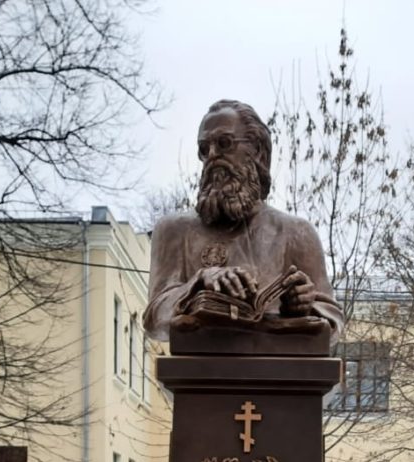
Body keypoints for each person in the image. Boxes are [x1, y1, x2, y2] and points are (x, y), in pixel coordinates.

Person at [144, 99, 344, 346]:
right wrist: (198, 283)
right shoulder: (174, 231)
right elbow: (154, 318)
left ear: (257, 151)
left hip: (278, 372)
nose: (213, 156)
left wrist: (304, 304)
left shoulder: (296, 233)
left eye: (224, 144)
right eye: (204, 149)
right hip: (201, 371)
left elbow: (333, 325)